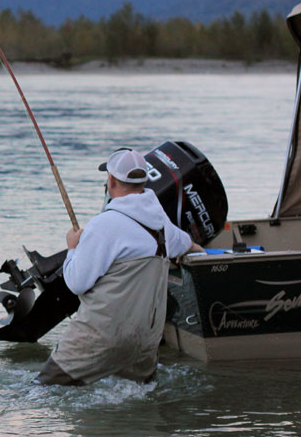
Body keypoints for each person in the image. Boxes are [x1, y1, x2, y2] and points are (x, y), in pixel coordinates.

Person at [36, 148, 203, 386]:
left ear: (111, 180)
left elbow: (76, 283)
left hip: (101, 341)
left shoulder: (104, 225)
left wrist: (73, 247)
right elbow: (187, 244)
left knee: (42, 392)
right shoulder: (162, 225)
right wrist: (200, 251)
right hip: (145, 345)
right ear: (144, 181)